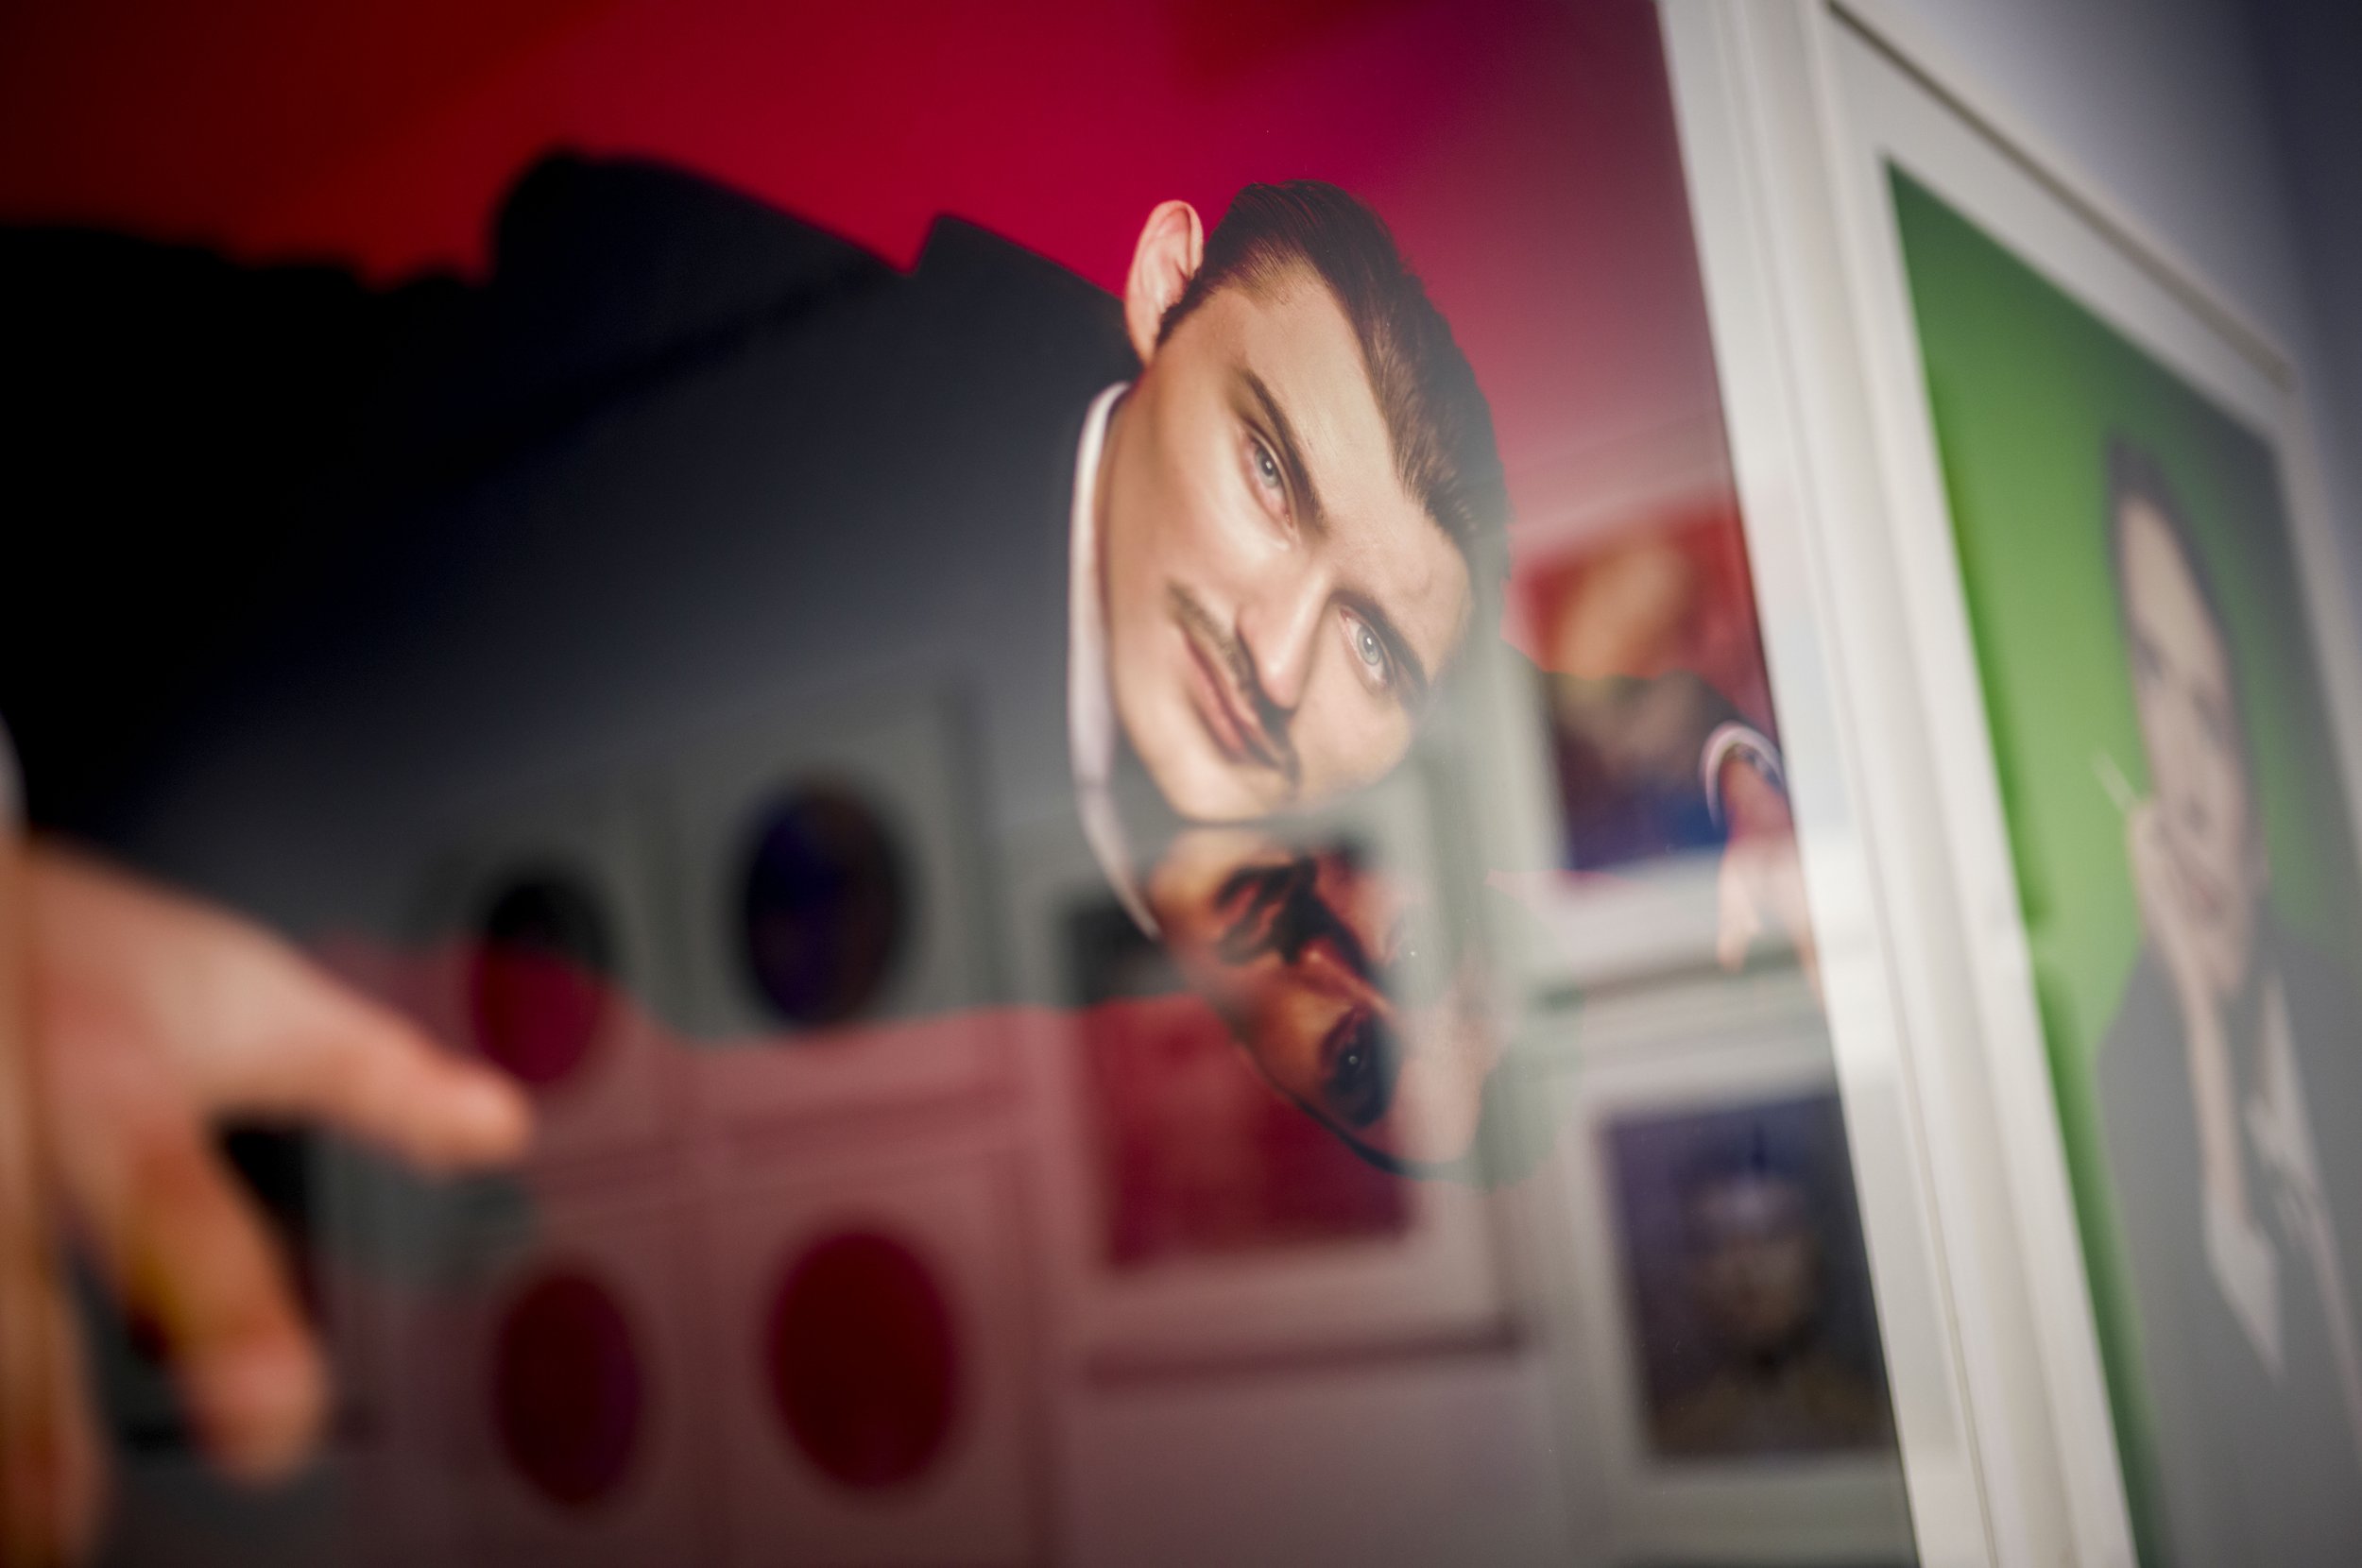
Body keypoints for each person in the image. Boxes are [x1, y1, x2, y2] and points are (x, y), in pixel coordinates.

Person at [2096, 439, 2362, 1565]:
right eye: (2152, 681)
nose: (2187, 786)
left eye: (2213, 716)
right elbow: (2221, 1502)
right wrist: (2205, 1056)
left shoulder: (2341, 1009)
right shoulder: (2130, 1075)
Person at [1650, 1137, 1890, 1457]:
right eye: (1716, 1241)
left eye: (1771, 1233)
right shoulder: (1668, 1446)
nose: (1745, 1267)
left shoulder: (1880, 1427)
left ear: (1816, 1254)